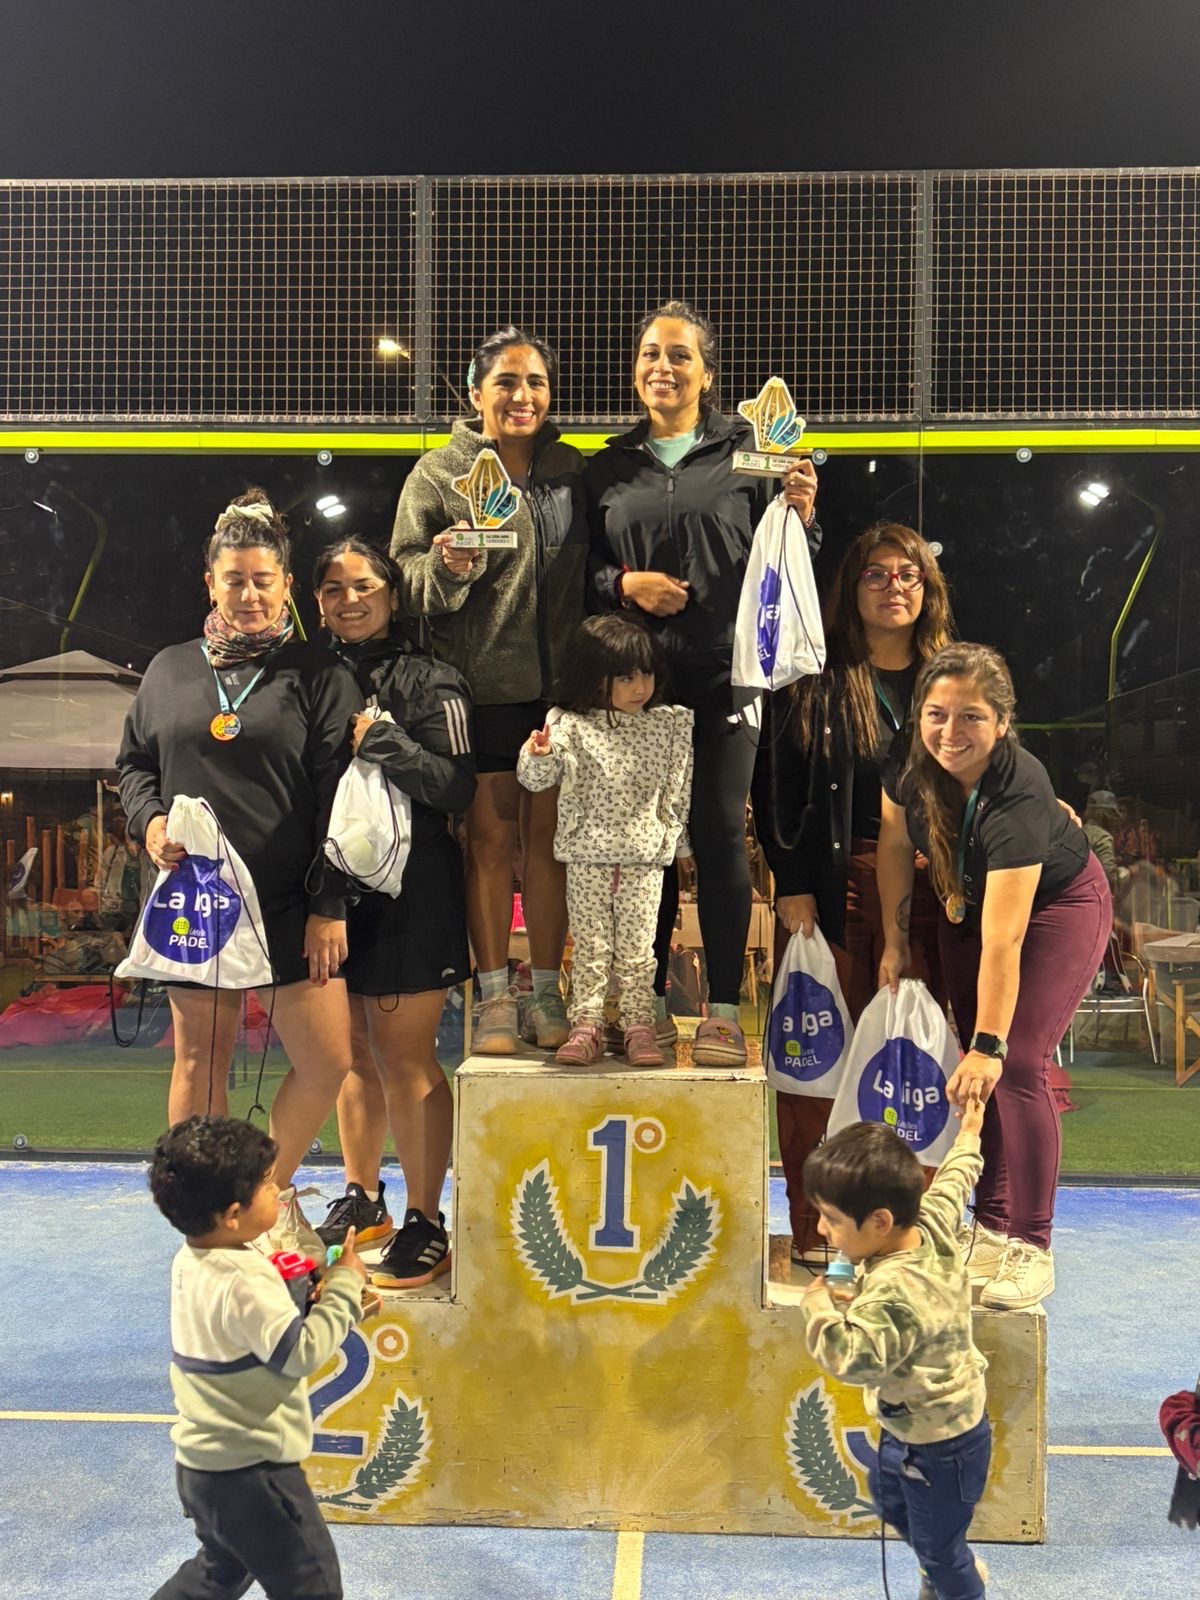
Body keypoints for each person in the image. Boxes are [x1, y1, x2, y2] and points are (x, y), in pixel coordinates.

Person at [117, 489, 360, 1254]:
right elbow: (132, 767)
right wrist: (149, 821)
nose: (249, 595)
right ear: (209, 582)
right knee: (201, 1060)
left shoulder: (320, 671)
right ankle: (203, 1221)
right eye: (234, 580)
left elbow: (339, 798)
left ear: (287, 584)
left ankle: (261, 1200)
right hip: (196, 903)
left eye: (264, 579)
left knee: (327, 1061)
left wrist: (330, 905)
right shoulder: (167, 671)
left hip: (293, 900)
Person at [586, 299, 820, 1066]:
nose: (664, 365)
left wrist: (804, 514)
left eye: (680, 355)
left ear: (708, 374)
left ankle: (722, 1010)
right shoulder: (607, 467)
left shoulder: (749, 453)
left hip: (729, 675)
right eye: (651, 352)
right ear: (635, 369)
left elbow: (788, 552)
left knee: (718, 836)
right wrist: (627, 585)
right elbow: (582, 572)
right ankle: (644, 1005)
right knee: (642, 843)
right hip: (635, 689)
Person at [877, 643, 1113, 1309]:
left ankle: (1032, 1246)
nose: (952, 733)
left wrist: (987, 1043)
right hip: (964, 905)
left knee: (1016, 1062)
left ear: (1002, 723)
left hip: (1055, 908)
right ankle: (989, 1226)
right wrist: (895, 936)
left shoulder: (1018, 786)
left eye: (972, 717)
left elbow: (1006, 937)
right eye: (937, 714)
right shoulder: (906, 760)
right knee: (981, 1073)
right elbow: (896, 844)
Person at [751, 524, 954, 1269]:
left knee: (915, 1063)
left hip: (931, 892)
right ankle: (818, 1234)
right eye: (878, 573)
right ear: (851, 586)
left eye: (910, 574)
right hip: (832, 888)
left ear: (927, 588)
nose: (895, 586)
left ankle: (907, 1235)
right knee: (817, 1066)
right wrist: (791, 883)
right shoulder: (814, 676)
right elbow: (771, 782)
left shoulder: (949, 674)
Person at [390, 327, 589, 1055]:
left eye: (535, 381)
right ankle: (495, 997)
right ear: (476, 394)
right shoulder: (436, 476)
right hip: (481, 693)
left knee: (551, 846)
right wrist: (447, 567)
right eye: (506, 382)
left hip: (564, 694)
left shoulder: (571, 471)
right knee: (489, 841)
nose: (522, 395)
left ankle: (545, 990)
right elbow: (402, 581)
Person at [313, 538, 475, 1290]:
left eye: (365, 584)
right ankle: (362, 1196)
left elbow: (455, 786)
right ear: (315, 600)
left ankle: (425, 1218)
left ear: (393, 593)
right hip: (322, 896)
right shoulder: (301, 677)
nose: (350, 599)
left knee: (403, 1056)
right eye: (334, 588)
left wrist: (385, 743)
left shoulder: (431, 678)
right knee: (346, 1054)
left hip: (412, 894)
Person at [147, 1115, 367, 1600]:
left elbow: (240, 1331)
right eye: (269, 1186)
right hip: (255, 1475)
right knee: (314, 1586)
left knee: (218, 1570)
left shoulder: (191, 1259)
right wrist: (346, 1286)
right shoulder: (248, 1278)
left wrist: (298, 1295)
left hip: (202, 1468)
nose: (278, 1194)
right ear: (231, 1215)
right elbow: (301, 1353)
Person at [800, 1108, 991, 1600]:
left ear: (881, 1221)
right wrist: (969, 1131)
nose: (822, 1229)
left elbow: (853, 1358)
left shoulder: (898, 1293)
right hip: (907, 1429)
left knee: (940, 1550)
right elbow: (954, 1180)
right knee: (891, 1503)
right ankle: (943, 1562)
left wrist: (818, 1305)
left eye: (832, 1219)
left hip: (941, 1444)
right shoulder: (926, 1221)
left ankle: (954, 1579)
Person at [516, 615, 693, 1067]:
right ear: (596, 677)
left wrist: (678, 843)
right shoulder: (570, 725)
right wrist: (535, 753)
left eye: (647, 674)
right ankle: (587, 1025)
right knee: (592, 947)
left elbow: (678, 791)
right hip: (586, 857)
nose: (640, 686)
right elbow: (537, 780)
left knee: (639, 949)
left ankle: (638, 1026)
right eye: (626, 676)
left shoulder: (668, 726)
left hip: (644, 859)